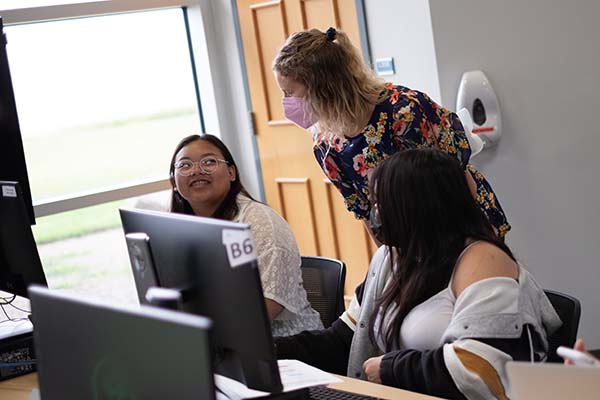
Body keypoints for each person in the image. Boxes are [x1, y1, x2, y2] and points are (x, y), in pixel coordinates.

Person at [275, 149, 561, 399]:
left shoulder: (484, 262)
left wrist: (390, 368)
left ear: (417, 207)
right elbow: (343, 339)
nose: (374, 215)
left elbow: (481, 370)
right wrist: (267, 351)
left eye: (380, 204)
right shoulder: (392, 258)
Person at [273, 27, 511, 239]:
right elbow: (366, 213)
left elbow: (457, 173)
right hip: (411, 243)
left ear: (323, 87)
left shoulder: (404, 110)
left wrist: (481, 243)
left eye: (290, 93)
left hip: (463, 222)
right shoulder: (327, 146)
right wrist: (393, 264)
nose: (286, 103)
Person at [169, 134, 323, 336]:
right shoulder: (177, 228)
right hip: (221, 341)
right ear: (173, 180)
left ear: (232, 173)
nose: (197, 170)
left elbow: (269, 304)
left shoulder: (260, 223)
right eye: (185, 165)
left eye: (209, 162)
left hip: (286, 345)